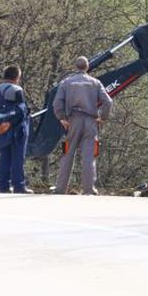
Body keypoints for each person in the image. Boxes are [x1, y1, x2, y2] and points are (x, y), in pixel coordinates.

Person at [53, 56, 113, 195]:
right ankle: (89, 190)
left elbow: (57, 103)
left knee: (67, 153)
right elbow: (108, 102)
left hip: (73, 122)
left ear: (76, 67)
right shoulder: (95, 83)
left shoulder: (66, 83)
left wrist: (62, 118)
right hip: (90, 122)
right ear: (87, 67)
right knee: (89, 155)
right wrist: (102, 117)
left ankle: (60, 189)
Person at [0, 65, 31, 193]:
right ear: (16, 77)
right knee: (18, 157)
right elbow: (22, 110)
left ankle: (3, 186)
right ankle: (19, 186)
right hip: (17, 128)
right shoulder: (16, 90)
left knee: (4, 157)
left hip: (1, 130)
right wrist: (10, 123)